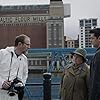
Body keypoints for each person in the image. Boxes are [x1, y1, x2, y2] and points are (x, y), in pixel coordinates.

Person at [0, 34, 30, 100]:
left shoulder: (24, 59)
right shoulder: (2, 53)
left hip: (16, 94)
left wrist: (21, 84)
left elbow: (25, 74)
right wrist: (1, 83)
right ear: (19, 44)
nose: (29, 47)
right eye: (27, 44)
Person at [89, 28, 100, 100]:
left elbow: (95, 80)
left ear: (99, 38)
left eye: (92, 38)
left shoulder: (98, 55)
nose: (90, 40)